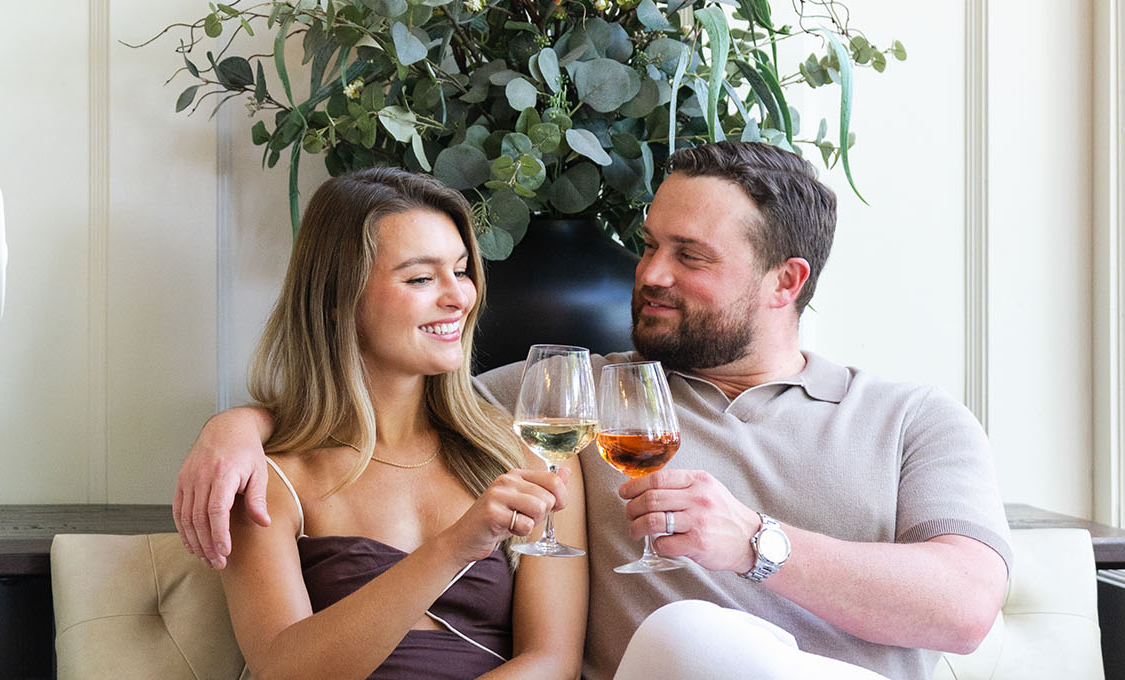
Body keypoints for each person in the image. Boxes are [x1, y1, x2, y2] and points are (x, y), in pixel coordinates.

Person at [175, 142, 1009, 680]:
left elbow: (968, 610)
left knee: (692, 635)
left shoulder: (912, 419)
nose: (650, 274)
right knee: (682, 638)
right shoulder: (562, 400)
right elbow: (392, 398)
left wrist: (756, 544)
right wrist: (236, 428)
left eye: (690, 256)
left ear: (784, 282)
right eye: (649, 245)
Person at [213, 167, 588, 679]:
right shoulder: (268, 480)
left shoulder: (525, 453)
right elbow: (282, 671)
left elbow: (552, 661)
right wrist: (454, 547)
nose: (459, 297)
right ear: (336, 300)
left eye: (461, 271)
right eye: (421, 278)